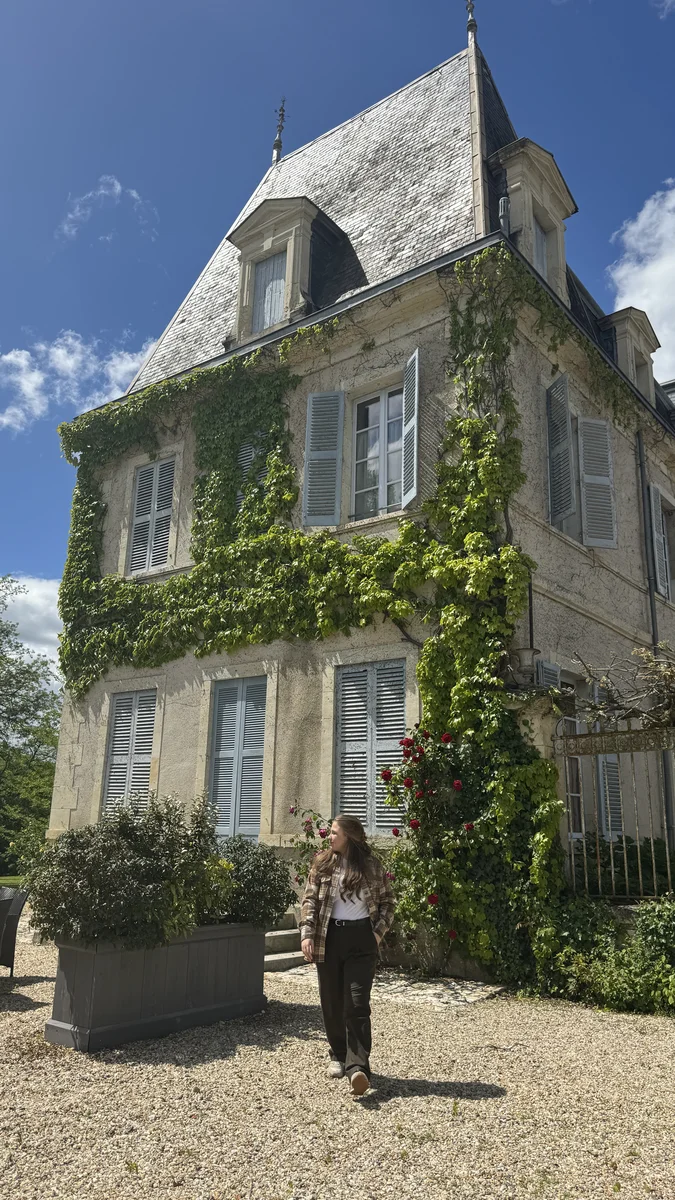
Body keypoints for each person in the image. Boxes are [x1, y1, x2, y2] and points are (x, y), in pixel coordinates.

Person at [300, 813, 396, 1096]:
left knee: (357, 1003)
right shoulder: (322, 863)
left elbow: (388, 903)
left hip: (361, 939)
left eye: (334, 833)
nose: (329, 837)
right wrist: (306, 933)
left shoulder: (371, 866)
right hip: (329, 938)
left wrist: (376, 934)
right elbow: (309, 900)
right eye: (330, 833)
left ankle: (358, 1067)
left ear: (349, 837)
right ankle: (337, 1054)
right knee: (331, 1001)